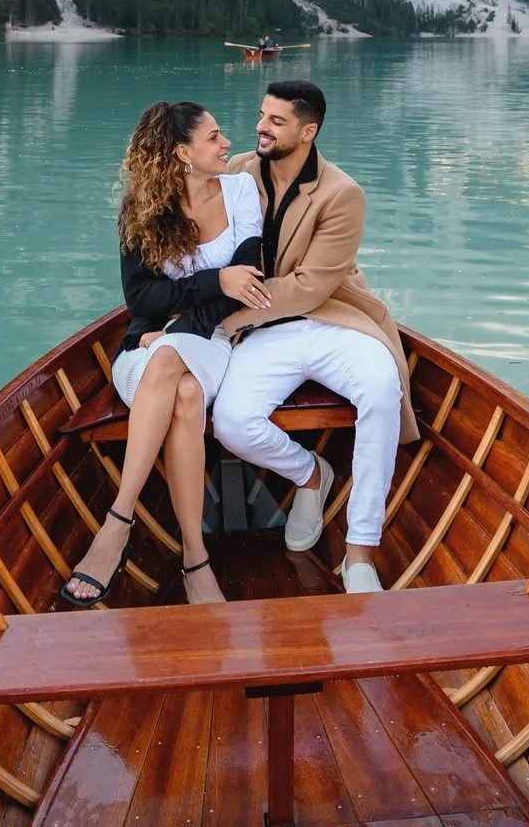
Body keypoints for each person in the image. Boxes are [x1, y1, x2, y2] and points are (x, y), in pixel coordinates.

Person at [59, 100, 271, 608]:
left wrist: (188, 319)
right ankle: (196, 559)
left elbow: (248, 281)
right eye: (215, 137)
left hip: (212, 341)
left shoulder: (242, 190)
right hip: (146, 347)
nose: (227, 144)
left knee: (174, 358)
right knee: (184, 387)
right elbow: (141, 301)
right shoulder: (143, 208)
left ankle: (117, 522)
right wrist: (212, 282)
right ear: (182, 153)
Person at [212, 80, 416, 594]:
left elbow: (309, 289)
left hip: (332, 320)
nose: (261, 127)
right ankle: (311, 476)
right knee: (232, 423)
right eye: (261, 115)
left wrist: (229, 318)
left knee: (380, 385)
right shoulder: (236, 171)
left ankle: (360, 552)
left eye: (276, 121)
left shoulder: (343, 194)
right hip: (265, 334)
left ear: (309, 131)